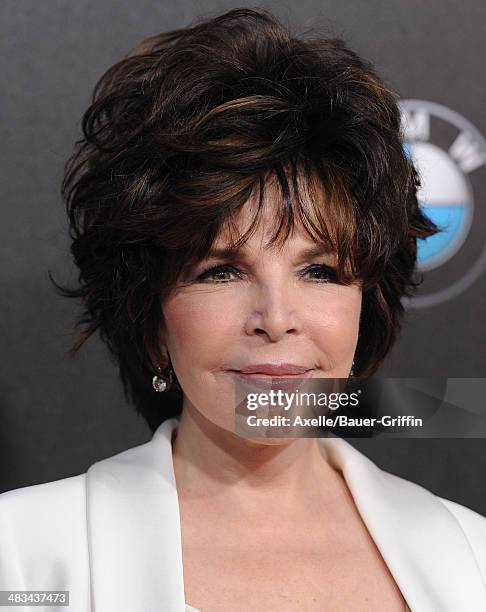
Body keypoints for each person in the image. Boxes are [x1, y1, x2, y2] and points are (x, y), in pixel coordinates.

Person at [1, 7, 485, 612]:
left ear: (367, 303)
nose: (276, 318)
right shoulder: (23, 554)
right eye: (222, 270)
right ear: (151, 316)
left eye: (319, 271)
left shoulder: (472, 555)